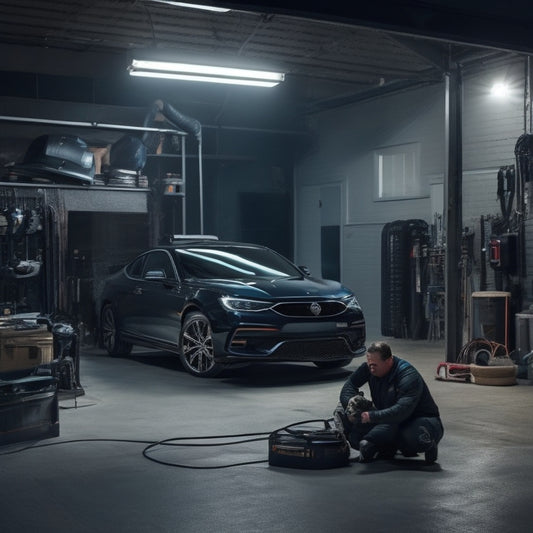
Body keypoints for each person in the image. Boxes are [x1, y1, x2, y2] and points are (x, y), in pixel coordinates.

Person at [337, 341, 444, 464]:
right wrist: (351, 401)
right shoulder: (369, 367)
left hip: (418, 419)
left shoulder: (408, 376)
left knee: (410, 436)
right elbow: (349, 385)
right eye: (369, 364)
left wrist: (371, 418)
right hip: (390, 418)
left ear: (389, 360)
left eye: (375, 365)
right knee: (349, 418)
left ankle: (428, 445)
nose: (371, 368)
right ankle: (387, 446)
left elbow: (401, 412)